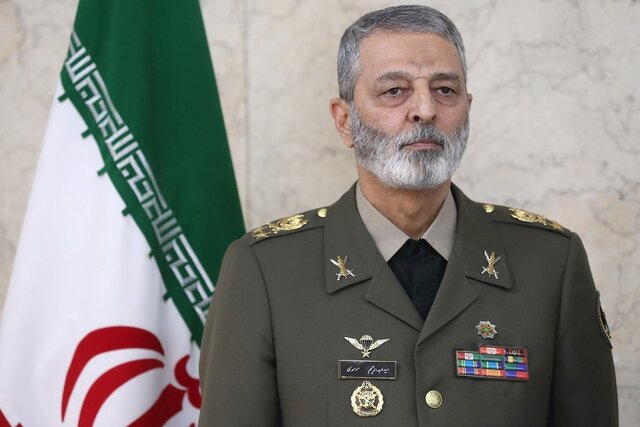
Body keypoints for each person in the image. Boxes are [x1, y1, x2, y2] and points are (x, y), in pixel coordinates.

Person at [198, 5, 618, 426]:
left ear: (467, 108)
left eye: (445, 90)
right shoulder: (266, 271)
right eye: (394, 90)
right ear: (345, 121)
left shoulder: (551, 264)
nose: (425, 109)